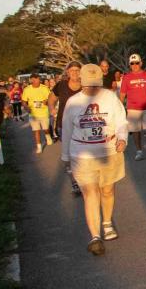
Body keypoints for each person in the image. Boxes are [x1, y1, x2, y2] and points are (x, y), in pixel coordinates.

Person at [61, 63, 128, 256]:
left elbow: (121, 121)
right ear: (81, 81)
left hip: (109, 150)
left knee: (107, 190)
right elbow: (66, 130)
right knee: (90, 192)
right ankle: (95, 237)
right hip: (82, 153)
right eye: (88, 84)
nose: (91, 88)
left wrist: (122, 138)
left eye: (95, 84)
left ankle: (107, 222)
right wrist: (66, 157)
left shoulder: (110, 97)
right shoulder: (73, 102)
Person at [49, 61, 84, 195]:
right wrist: (52, 109)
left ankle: (84, 179)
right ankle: (74, 181)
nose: (75, 73)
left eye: (77, 70)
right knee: (69, 154)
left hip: (83, 125)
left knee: (82, 154)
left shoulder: (86, 85)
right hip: (64, 125)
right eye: (72, 70)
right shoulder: (61, 85)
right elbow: (51, 99)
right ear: (67, 72)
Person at [119, 53, 146, 160]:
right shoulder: (127, 78)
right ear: (130, 65)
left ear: (140, 63)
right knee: (136, 131)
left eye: (137, 63)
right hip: (132, 108)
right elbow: (122, 94)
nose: (135, 65)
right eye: (132, 63)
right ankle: (139, 151)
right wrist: (119, 108)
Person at [21, 74, 53, 153]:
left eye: (39, 79)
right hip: (33, 113)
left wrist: (46, 101)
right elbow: (24, 101)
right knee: (36, 130)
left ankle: (48, 136)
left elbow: (50, 98)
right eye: (36, 79)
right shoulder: (27, 89)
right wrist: (26, 107)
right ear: (31, 80)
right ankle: (39, 147)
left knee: (46, 129)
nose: (39, 81)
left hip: (44, 112)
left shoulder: (44, 88)